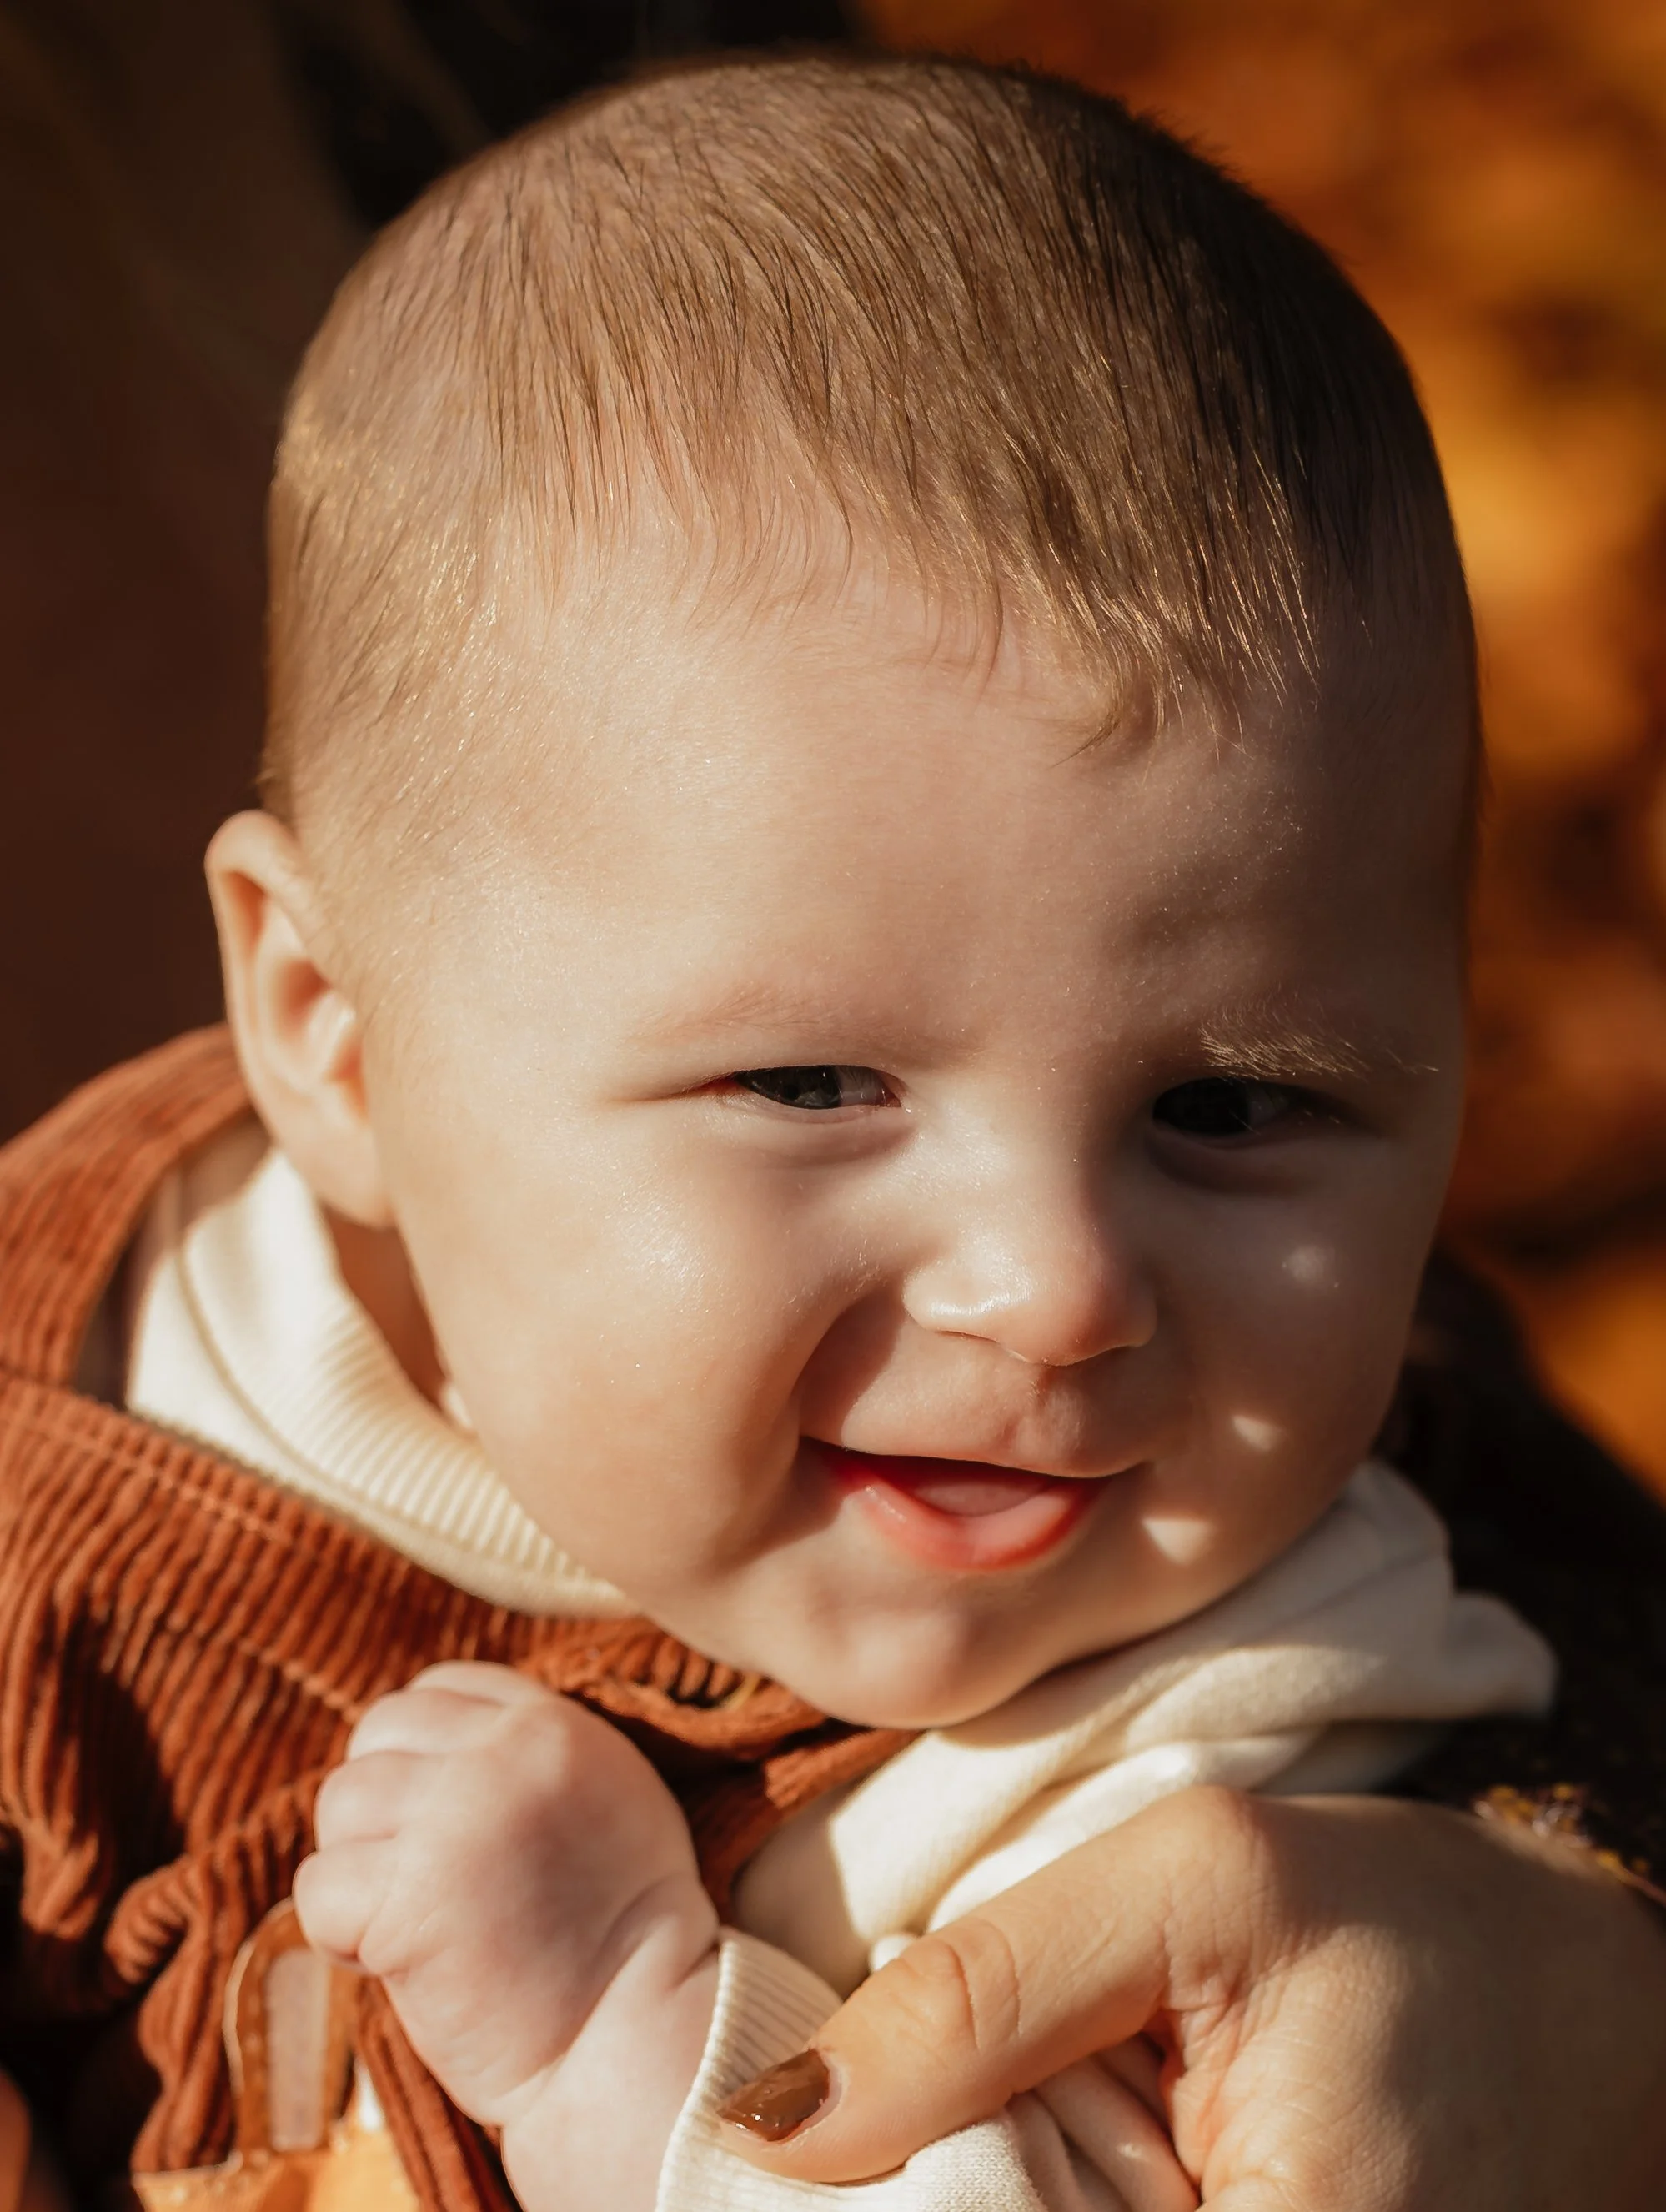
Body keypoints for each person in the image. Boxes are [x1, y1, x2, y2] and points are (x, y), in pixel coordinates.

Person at [0, 50, 1663, 2212]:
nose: (1053, 1283)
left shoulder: (1200, 1711)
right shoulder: (91, 1337)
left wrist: (642, 2032)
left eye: (1232, 1101)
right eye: (809, 1086)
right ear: (330, 1033)